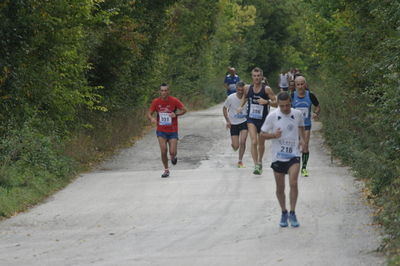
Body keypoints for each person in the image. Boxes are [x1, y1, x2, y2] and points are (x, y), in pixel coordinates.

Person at [261, 91, 306, 227]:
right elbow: (262, 134)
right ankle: (283, 212)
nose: (285, 108)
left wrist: (303, 140)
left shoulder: (297, 114)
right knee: (280, 187)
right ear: (278, 105)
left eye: (287, 105)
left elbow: (302, 127)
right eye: (282, 106)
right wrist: (274, 135)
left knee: (293, 183)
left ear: (290, 102)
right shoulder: (272, 116)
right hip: (278, 156)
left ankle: (292, 212)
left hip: (294, 154)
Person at [238, 67, 277, 175]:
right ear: (252, 77)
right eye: (254, 76)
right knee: (254, 141)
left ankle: (260, 161)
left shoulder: (266, 89)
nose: (256, 78)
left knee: (261, 143)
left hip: (264, 119)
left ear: (261, 77)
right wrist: (240, 106)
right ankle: (256, 165)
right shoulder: (247, 88)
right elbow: (245, 98)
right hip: (251, 119)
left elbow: (276, 102)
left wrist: (267, 102)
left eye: (258, 76)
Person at [147, 83, 187, 178]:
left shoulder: (174, 100)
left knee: (172, 152)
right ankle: (166, 170)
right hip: (161, 130)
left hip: (173, 130)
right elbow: (149, 113)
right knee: (164, 150)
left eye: (165, 90)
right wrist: (151, 118)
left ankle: (173, 157)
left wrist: (176, 114)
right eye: (162, 90)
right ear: (159, 92)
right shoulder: (156, 102)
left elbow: (184, 110)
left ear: (168, 91)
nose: (164, 92)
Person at [291, 76, 321, 177]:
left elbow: (317, 106)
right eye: (298, 84)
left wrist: (316, 114)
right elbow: (286, 108)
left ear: (305, 84)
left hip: (306, 125)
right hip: (294, 126)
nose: (300, 86)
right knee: (295, 146)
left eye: (302, 84)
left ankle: (303, 168)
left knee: (305, 146)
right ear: (295, 85)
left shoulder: (310, 95)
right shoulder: (292, 96)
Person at [223, 81, 248, 168]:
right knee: (236, 146)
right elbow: (224, 108)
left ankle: (240, 161)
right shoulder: (231, 97)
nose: (240, 91)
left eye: (242, 90)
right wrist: (227, 121)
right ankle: (234, 145)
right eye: (239, 89)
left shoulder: (247, 98)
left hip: (244, 121)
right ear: (236, 89)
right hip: (233, 123)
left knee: (243, 141)